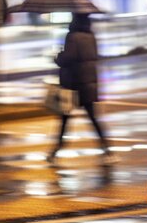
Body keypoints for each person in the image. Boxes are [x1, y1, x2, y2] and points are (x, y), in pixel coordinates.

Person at [49, 13, 116, 165]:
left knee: (65, 120)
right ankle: (108, 151)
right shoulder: (91, 35)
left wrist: (58, 57)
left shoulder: (72, 36)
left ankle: (55, 152)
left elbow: (68, 58)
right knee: (93, 119)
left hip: (74, 85)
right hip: (88, 84)